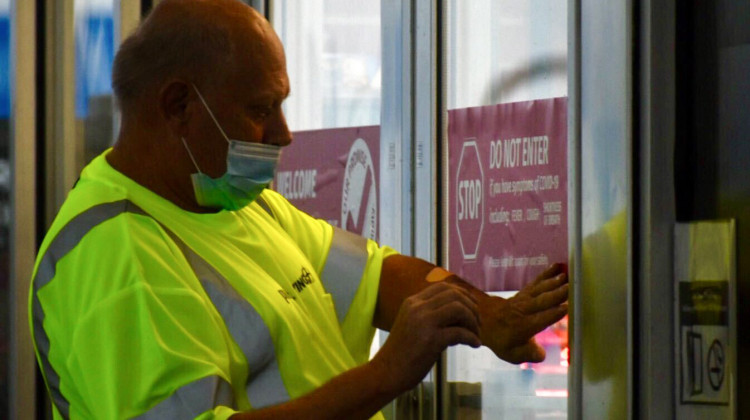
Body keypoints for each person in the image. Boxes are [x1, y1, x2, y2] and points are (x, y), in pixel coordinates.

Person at [29, 0, 569, 418]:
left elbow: (375, 277)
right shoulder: (115, 257)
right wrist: (386, 374)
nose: (284, 134)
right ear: (178, 106)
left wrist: (489, 316)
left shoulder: (229, 199)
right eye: (261, 109)